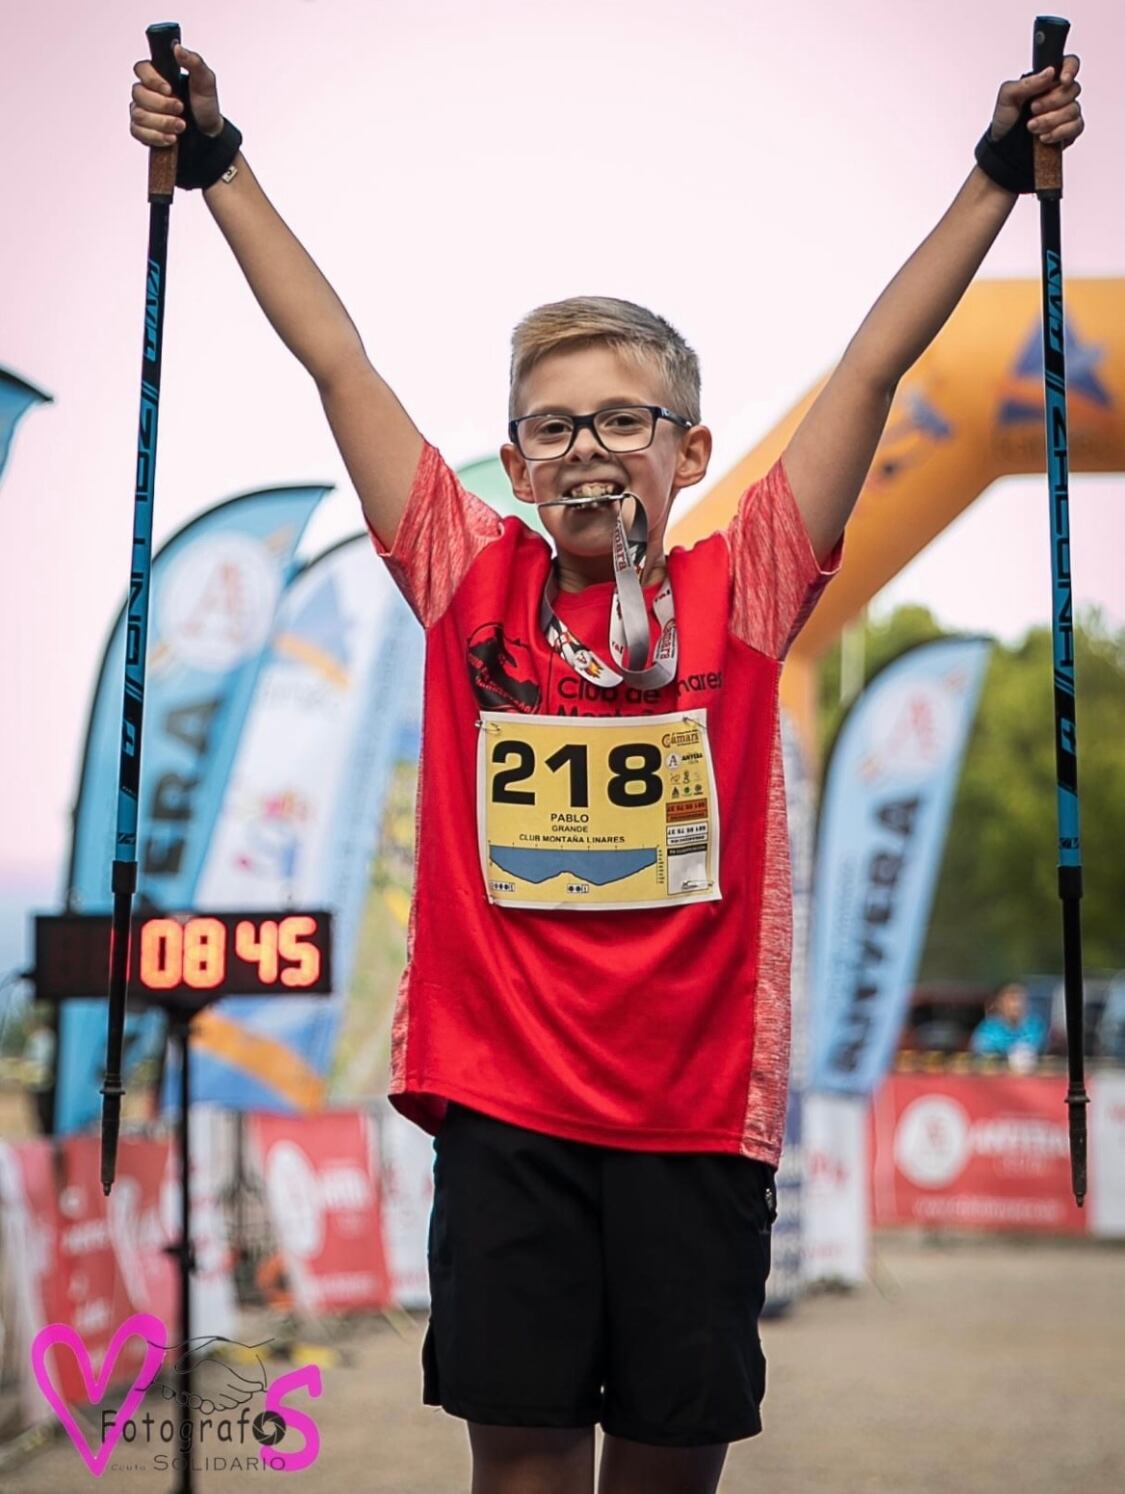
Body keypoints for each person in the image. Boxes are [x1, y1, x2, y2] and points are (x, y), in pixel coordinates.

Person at [129, 38, 1085, 1494]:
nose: (586, 447)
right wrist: (218, 167)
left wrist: (995, 179)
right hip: (507, 1110)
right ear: (511, 463)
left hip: (695, 1120)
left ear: (689, 448)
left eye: (622, 420)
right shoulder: (468, 577)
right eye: (551, 424)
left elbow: (879, 360)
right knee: (519, 1475)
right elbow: (339, 357)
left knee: (661, 1478)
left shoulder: (744, 589)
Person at [970, 981, 1048, 1067]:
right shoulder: (987, 1030)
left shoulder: (1036, 1027)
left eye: (1021, 998)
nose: (1016, 1004)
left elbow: (1042, 1052)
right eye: (1011, 999)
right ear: (999, 1003)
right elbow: (982, 1056)